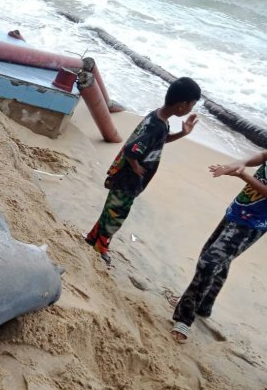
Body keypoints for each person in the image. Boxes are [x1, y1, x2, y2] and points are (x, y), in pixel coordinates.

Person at [85, 77, 201, 264]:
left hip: (125, 177)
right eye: (192, 105)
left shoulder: (158, 118)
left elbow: (159, 139)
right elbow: (133, 149)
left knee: (112, 209)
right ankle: (101, 247)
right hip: (127, 180)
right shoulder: (157, 125)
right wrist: (136, 167)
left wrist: (182, 133)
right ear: (182, 105)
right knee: (117, 214)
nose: (191, 109)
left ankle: (92, 238)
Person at [171, 149, 267, 342]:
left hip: (252, 225)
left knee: (210, 262)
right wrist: (242, 162)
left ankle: (185, 316)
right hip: (236, 211)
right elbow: (264, 155)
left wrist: (243, 175)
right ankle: (204, 305)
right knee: (217, 259)